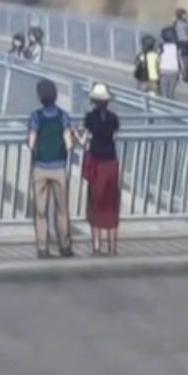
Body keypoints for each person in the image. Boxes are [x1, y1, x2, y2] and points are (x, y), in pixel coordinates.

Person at [28, 79, 74, 259]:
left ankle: (42, 247)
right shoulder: (63, 116)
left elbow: (31, 143)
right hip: (59, 167)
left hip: (40, 167)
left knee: (41, 211)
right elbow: (69, 144)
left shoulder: (36, 116)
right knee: (62, 210)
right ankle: (65, 245)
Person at [80, 83, 121, 256]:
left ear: (94, 101)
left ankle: (97, 247)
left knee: (96, 204)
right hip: (111, 163)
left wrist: (77, 136)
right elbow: (114, 135)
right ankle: (112, 247)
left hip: (97, 164)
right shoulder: (113, 118)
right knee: (111, 205)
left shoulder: (90, 118)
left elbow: (84, 140)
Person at [158, 26, 182, 99]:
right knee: (171, 91)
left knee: (163, 89)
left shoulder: (161, 46)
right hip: (174, 70)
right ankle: (170, 100)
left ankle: (164, 101)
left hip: (163, 70)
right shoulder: (177, 47)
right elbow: (179, 59)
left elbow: (158, 58)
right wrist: (181, 70)